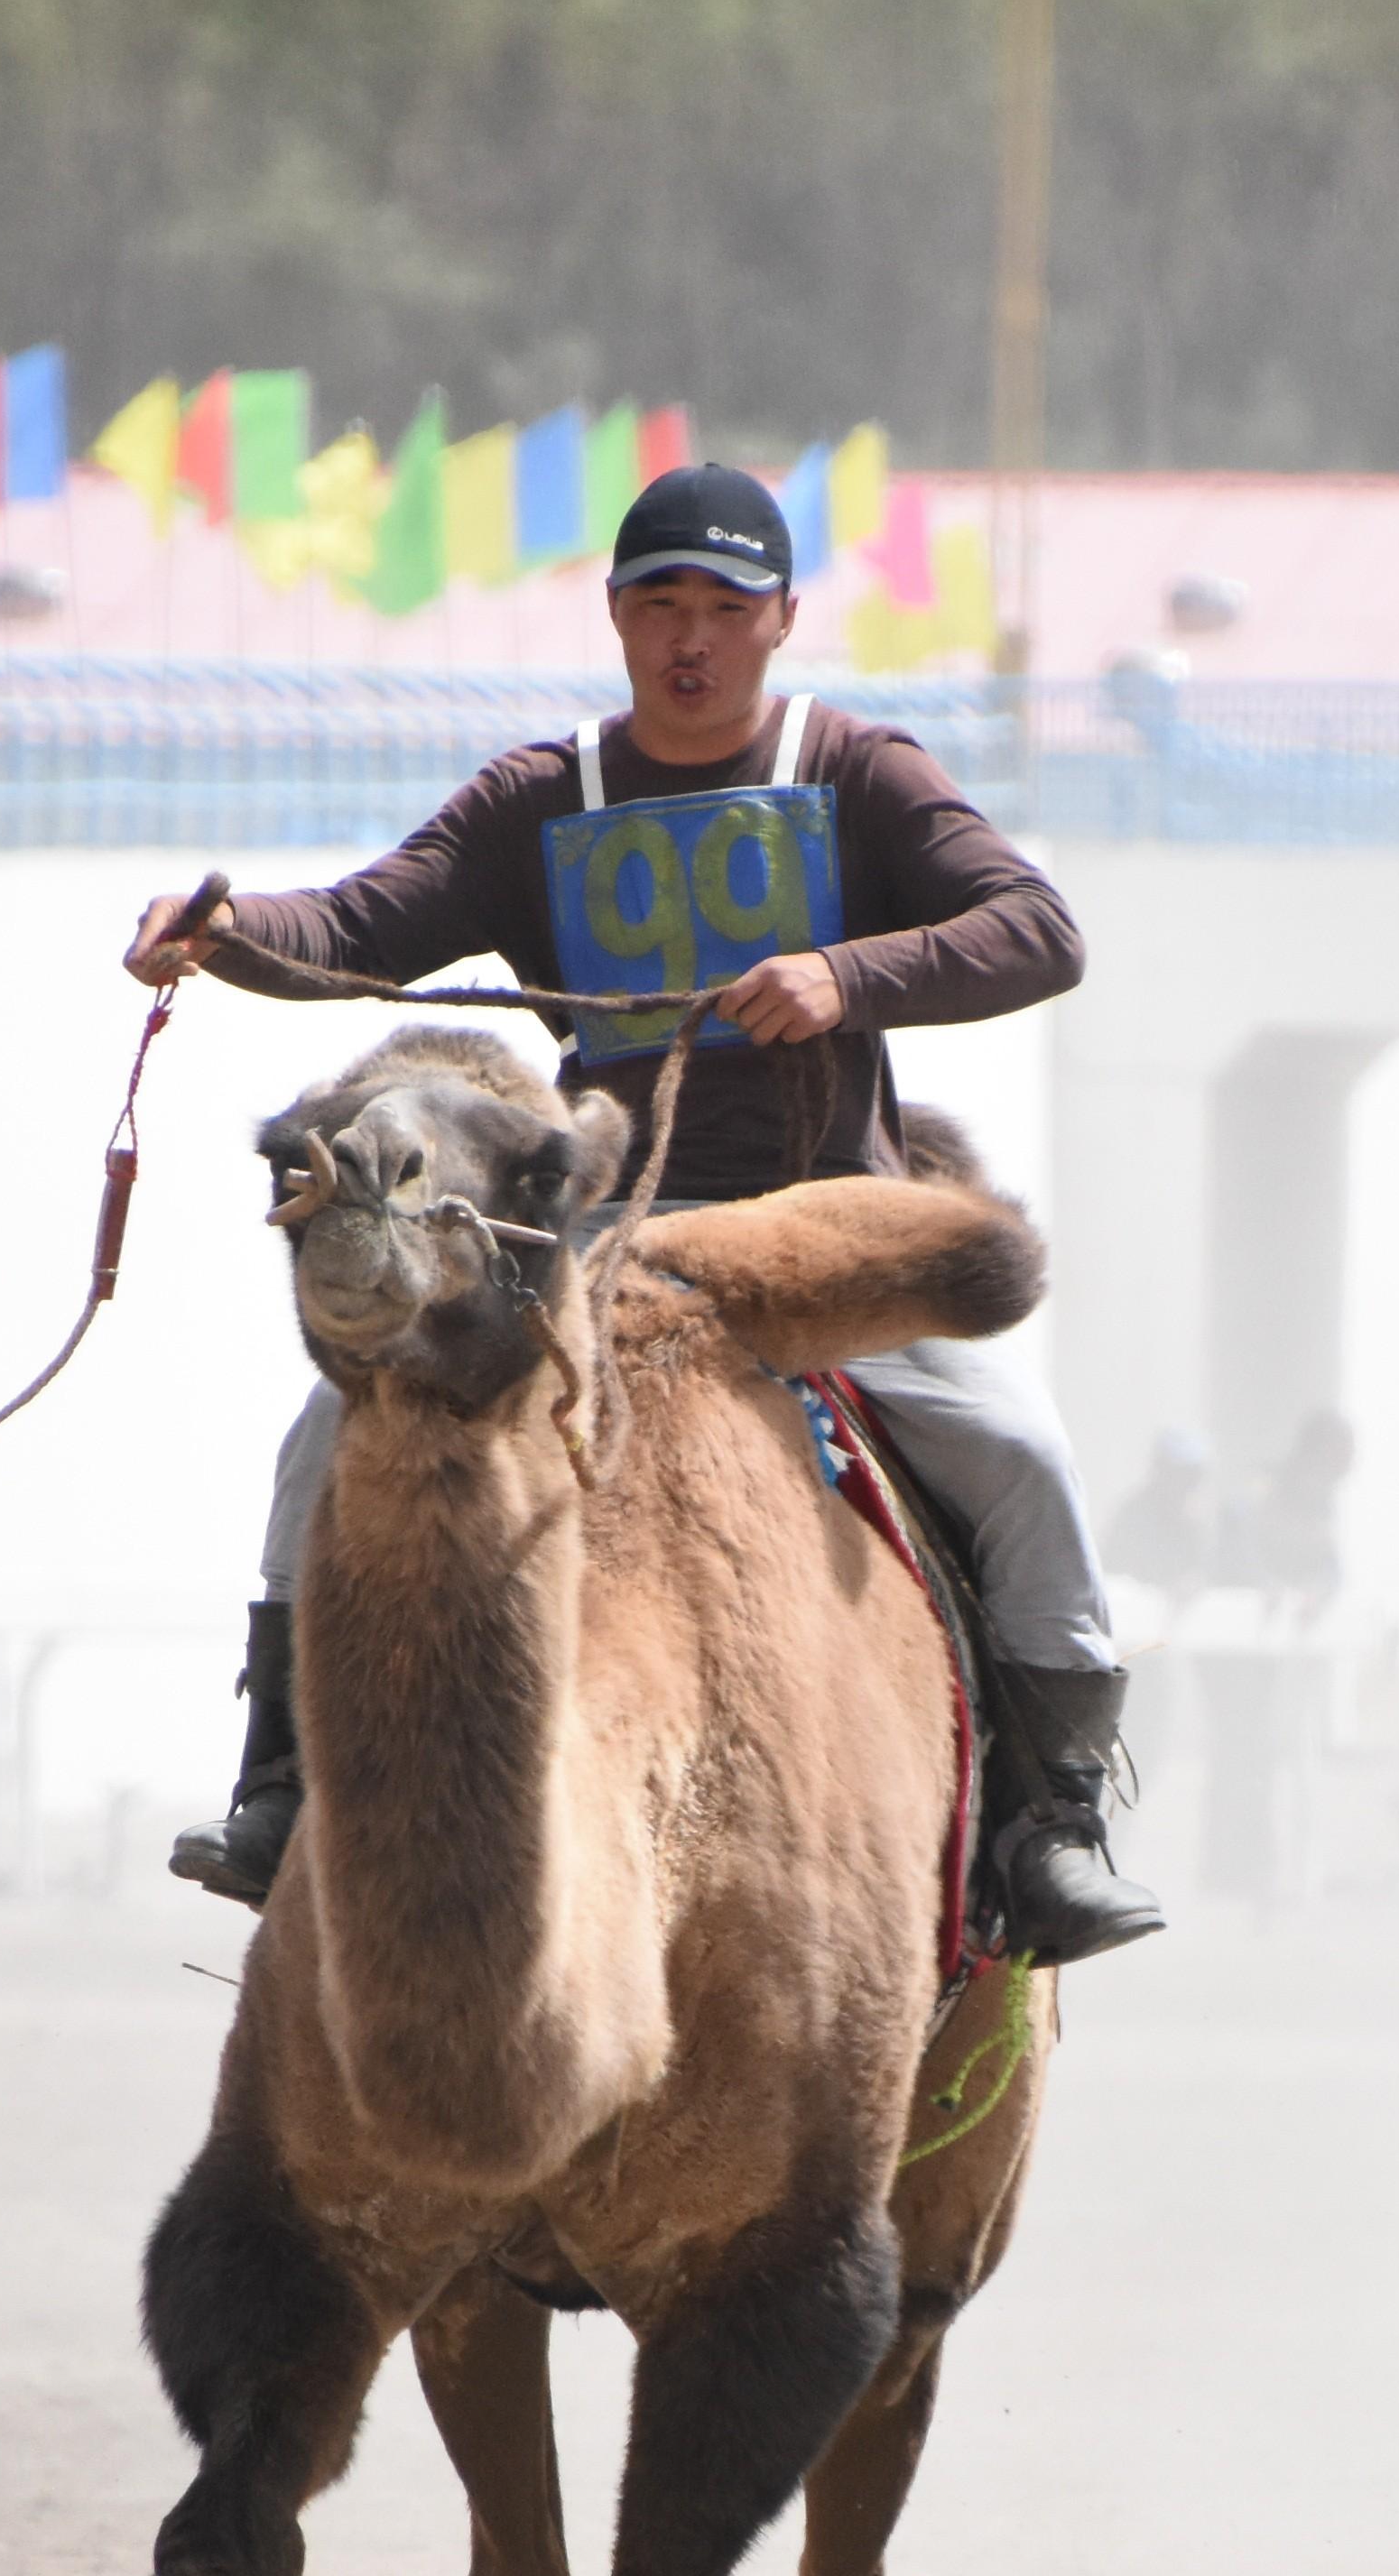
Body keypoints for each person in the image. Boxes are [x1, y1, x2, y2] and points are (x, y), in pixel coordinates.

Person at [127, 459, 1160, 1963]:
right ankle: (280, 1780)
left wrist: (848, 976)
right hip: (611, 1250)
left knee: (1014, 1447)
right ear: (615, 616)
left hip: (827, 1236)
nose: (692, 638)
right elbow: (361, 926)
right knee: (329, 1441)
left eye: (726, 609)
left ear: (784, 618)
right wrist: (224, 936)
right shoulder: (541, 798)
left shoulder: (854, 768)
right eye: (661, 603)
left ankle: (1053, 1824)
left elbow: (1039, 931)